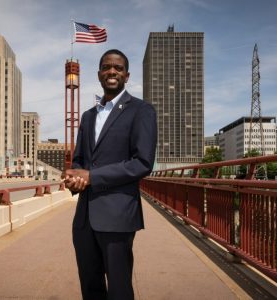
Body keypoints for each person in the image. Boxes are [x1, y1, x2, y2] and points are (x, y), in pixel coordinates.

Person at [64, 49, 157, 300]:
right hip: (84, 218)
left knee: (119, 289)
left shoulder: (141, 110)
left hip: (118, 216)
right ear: (99, 74)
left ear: (126, 75)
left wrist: (93, 177)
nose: (111, 71)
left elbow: (142, 163)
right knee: (90, 286)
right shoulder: (88, 115)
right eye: (106, 67)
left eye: (117, 68)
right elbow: (80, 160)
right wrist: (75, 178)